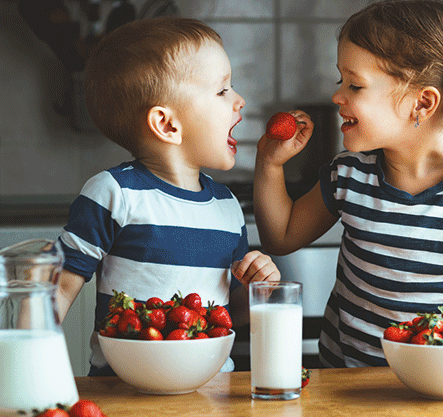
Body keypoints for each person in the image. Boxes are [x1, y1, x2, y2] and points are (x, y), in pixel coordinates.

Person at [254, 0, 443, 368]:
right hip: (346, 383)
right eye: (341, 81)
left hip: (439, 380)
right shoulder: (348, 174)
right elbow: (280, 236)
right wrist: (270, 164)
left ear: (422, 103)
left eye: (355, 84)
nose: (337, 96)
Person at [55, 17, 280, 376]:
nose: (239, 100)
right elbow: (59, 289)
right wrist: (23, 367)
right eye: (222, 91)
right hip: (123, 394)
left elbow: (228, 314)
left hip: (212, 392)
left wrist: (259, 291)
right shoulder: (113, 195)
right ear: (167, 125)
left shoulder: (227, 207)